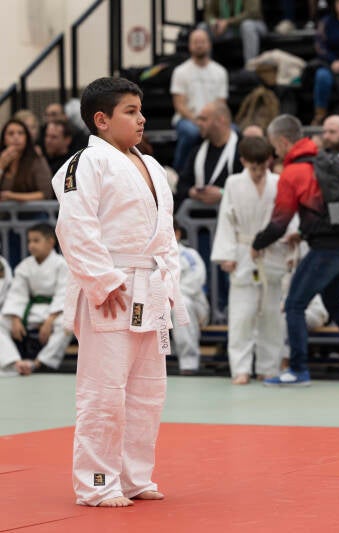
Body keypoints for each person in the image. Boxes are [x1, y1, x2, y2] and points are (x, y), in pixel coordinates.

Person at [52, 77, 188, 507]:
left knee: (148, 390)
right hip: (111, 288)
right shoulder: (84, 164)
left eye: (140, 110)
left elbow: (166, 235)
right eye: (131, 111)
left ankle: (134, 477)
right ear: (102, 119)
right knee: (104, 391)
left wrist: (169, 283)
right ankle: (97, 482)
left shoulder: (152, 167)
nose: (142, 119)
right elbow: (74, 226)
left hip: (150, 284)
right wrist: (102, 280)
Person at [253, 114, 339, 386]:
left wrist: (256, 244)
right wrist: (303, 233)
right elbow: (325, 211)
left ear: (283, 141)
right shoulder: (326, 160)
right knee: (334, 302)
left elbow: (279, 223)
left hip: (329, 250)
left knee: (294, 304)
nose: (275, 152)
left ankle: (298, 369)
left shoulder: (292, 173)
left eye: (275, 146)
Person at [212, 136, 297, 384]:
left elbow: (288, 215)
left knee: (271, 314)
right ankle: (241, 368)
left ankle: (268, 366)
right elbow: (226, 219)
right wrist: (226, 255)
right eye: (253, 167)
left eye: (262, 166)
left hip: (273, 250)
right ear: (243, 161)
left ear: (269, 160)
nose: (259, 172)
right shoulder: (233, 183)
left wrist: (292, 238)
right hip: (243, 250)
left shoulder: (278, 182)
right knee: (242, 314)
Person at [0, 223, 71, 375]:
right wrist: (15, 318)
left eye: (36, 240)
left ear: (50, 241)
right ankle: (15, 362)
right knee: (1, 322)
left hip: (56, 312)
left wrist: (49, 321)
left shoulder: (62, 264)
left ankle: (39, 363)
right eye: (29, 241)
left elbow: (63, 294)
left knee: (67, 325)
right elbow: (17, 293)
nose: (31, 245)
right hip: (32, 311)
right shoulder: (25, 266)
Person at [170, 29, 229, 174]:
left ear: (209, 44)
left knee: (234, 132)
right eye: (195, 42)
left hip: (213, 118)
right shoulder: (180, 71)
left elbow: (221, 104)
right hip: (187, 119)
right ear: (190, 46)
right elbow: (179, 105)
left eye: (202, 42)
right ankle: (179, 173)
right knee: (192, 133)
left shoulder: (220, 72)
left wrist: (210, 121)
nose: (199, 45)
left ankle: (225, 173)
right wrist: (199, 121)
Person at [176, 100, 241, 207]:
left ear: (221, 120)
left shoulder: (242, 150)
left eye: (204, 119)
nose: (198, 123)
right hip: (199, 214)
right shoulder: (197, 151)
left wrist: (222, 193)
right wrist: (192, 192)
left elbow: (249, 188)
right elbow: (182, 185)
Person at [172, 222, 210, 376]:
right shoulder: (152, 256)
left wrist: (169, 296)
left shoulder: (189, 255)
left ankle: (189, 361)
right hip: (162, 305)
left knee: (181, 304)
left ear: (177, 234)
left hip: (194, 305)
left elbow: (194, 284)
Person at [0, 118, 53, 202]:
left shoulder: (37, 160)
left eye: (20, 133)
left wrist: (11, 196)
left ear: (26, 138)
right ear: (4, 139)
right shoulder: (1, 159)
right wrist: (1, 166)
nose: (16, 137)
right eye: (11, 133)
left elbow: (46, 193)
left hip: (33, 210)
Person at [202, 0, 268, 63]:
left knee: (247, 26)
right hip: (228, 29)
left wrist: (227, 22)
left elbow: (251, 13)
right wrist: (214, 23)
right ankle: (205, 66)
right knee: (202, 28)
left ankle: (251, 65)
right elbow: (208, 13)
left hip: (254, 25)